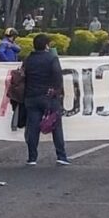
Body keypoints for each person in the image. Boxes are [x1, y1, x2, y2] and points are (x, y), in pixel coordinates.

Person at [23, 34, 69, 166]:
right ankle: (61, 156)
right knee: (55, 126)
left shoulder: (28, 59)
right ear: (46, 45)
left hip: (31, 97)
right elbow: (58, 76)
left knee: (33, 128)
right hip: (49, 97)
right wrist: (57, 91)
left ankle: (32, 158)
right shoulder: (52, 58)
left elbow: (23, 76)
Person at [0, 28, 25, 132]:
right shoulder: (4, 44)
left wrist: (11, 46)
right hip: (7, 68)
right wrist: (8, 62)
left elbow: (18, 49)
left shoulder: (9, 43)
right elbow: (1, 53)